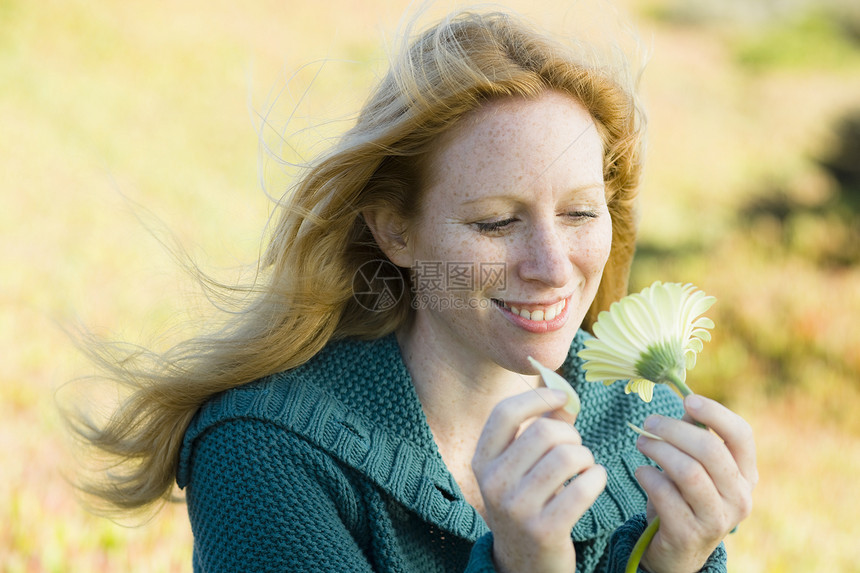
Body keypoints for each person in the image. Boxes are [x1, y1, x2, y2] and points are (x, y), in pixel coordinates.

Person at [66, 7, 757, 572]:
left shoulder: (647, 423)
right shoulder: (262, 450)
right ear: (395, 232)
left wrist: (677, 560)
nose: (552, 264)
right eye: (496, 222)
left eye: (579, 212)